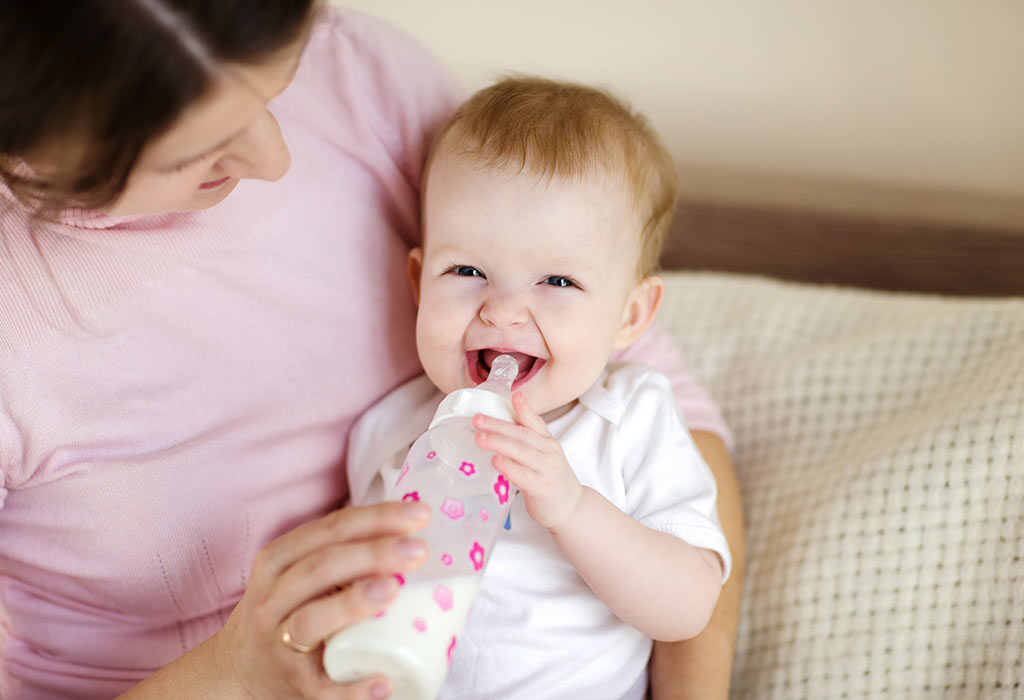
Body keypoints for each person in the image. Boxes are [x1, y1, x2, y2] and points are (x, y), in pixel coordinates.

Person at [0, 2, 743, 699]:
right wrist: (236, 672)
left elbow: (661, 411)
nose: (275, 154)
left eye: (280, 81)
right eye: (194, 149)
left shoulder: (362, 74)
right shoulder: (391, 435)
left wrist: (576, 510)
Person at [345, 76, 731, 700]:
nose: (502, 312)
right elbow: (351, 580)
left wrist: (573, 508)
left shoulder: (630, 417)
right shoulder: (391, 431)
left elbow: (688, 606)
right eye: (466, 271)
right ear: (418, 282)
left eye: (556, 281)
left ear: (631, 314)